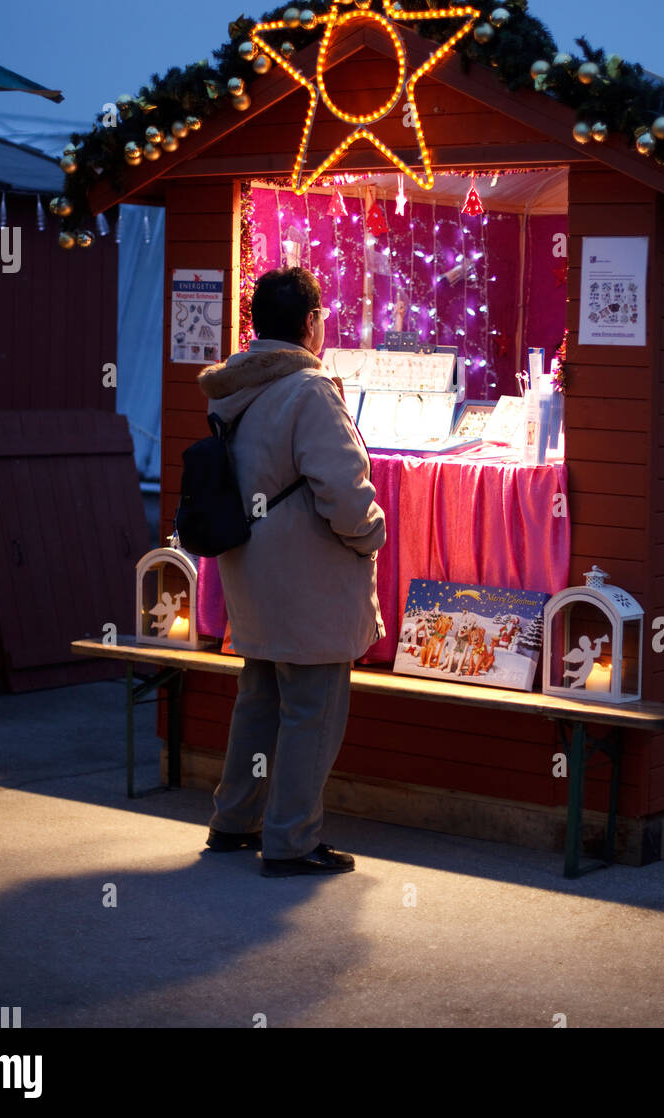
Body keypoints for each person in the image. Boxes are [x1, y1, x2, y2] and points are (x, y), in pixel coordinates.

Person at [197, 267, 386, 876]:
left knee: (258, 700)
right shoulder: (309, 390)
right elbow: (343, 489)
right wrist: (372, 533)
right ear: (310, 323)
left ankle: (235, 820)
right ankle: (291, 840)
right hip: (308, 579)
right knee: (312, 711)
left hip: (251, 571)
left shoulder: (233, 388)